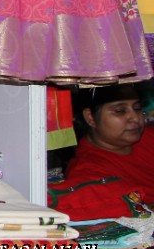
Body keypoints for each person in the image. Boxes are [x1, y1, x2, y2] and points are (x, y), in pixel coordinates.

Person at [54, 84, 154, 221]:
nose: (135, 118)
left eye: (137, 108)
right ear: (90, 117)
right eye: (120, 111)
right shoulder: (87, 171)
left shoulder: (148, 137)